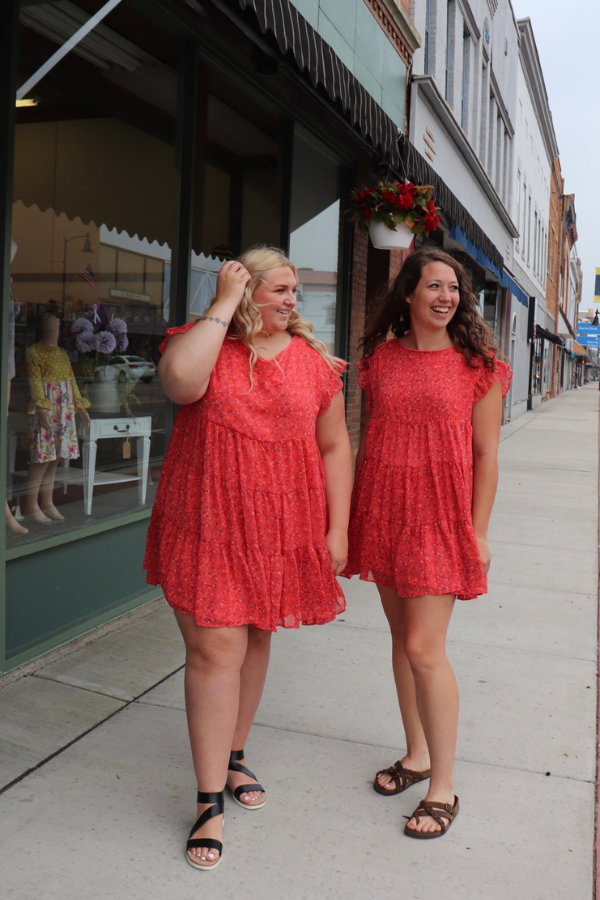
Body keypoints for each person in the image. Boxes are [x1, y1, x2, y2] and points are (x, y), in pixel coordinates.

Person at [144, 246, 352, 871]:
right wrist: (224, 303)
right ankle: (209, 803)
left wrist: (336, 528)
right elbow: (179, 384)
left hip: (280, 526)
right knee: (215, 650)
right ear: (247, 291)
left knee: (256, 639)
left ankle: (234, 756)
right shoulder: (204, 342)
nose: (292, 300)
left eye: (295, 291)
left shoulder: (316, 364)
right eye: (279, 290)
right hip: (205, 522)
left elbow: (336, 446)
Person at [343, 247, 511, 839]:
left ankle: (444, 786)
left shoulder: (478, 366)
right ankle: (415, 755)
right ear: (408, 295)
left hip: (440, 520)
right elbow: (367, 441)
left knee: (424, 648)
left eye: (454, 289)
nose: (446, 297)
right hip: (386, 513)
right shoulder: (380, 361)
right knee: (400, 639)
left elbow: (487, 456)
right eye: (435, 287)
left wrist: (479, 530)